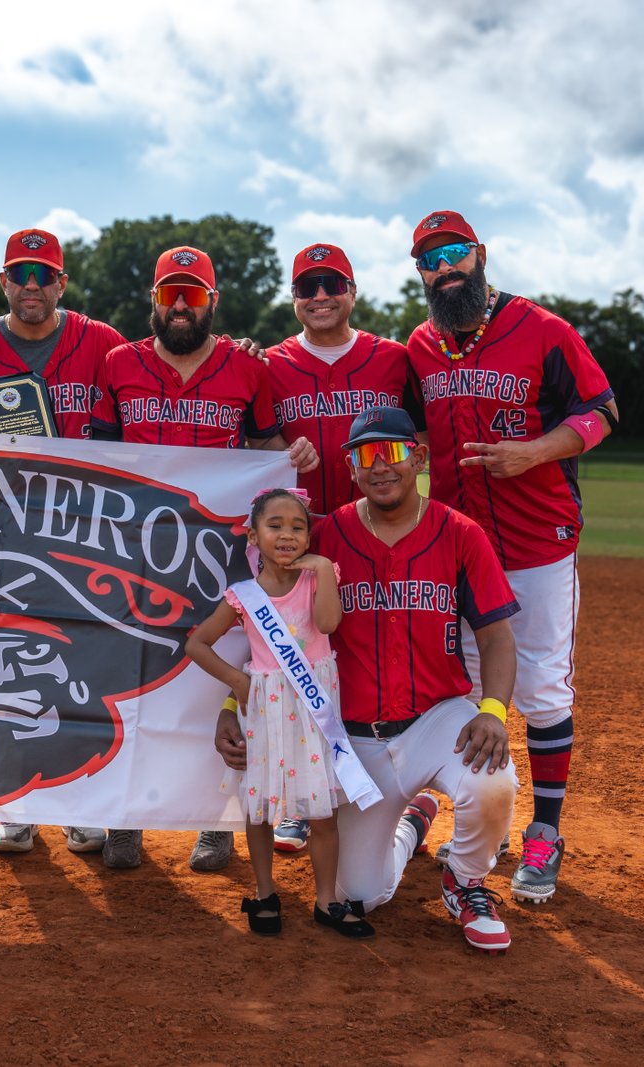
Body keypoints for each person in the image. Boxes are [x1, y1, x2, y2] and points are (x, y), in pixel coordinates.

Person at [219, 406, 521, 953]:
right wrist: (228, 707)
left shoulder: (460, 534)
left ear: (420, 458)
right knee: (362, 893)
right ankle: (413, 823)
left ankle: (467, 879)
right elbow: (265, 631)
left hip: (437, 716)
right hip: (351, 738)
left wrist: (494, 710)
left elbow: (497, 636)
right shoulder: (319, 538)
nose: (380, 465)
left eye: (394, 452)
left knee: (493, 781)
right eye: (365, 455)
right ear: (351, 468)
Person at [404, 210, 618, 905]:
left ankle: (545, 832)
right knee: (458, 688)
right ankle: (475, 819)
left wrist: (538, 450)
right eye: (430, 259)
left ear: (481, 254)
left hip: (537, 543)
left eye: (455, 253)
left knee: (544, 689)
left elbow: (603, 411)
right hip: (459, 548)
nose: (445, 269)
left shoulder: (542, 330)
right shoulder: (420, 347)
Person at [90, 244, 320, 873]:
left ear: (213, 302)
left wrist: (290, 457)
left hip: (218, 560)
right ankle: (124, 817)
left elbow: (268, 445)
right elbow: (97, 458)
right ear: (155, 302)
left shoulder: (248, 369)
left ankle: (215, 824)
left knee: (213, 684)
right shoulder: (117, 364)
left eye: (194, 295)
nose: (183, 306)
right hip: (129, 555)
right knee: (128, 681)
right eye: (172, 294)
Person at [0, 227, 126, 856]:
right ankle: (16, 803)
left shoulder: (104, 344)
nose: (31, 286)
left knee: (77, 665)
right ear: (2, 282)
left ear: (61, 283)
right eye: (19, 274)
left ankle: (79, 800)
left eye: (43, 275)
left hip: (84, 532)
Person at [262, 242, 413, 856]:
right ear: (294, 298)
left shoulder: (395, 359)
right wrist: (276, 452)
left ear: (353, 291)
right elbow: (250, 438)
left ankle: (393, 791)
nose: (320, 296)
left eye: (332, 284)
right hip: (298, 539)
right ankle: (306, 799)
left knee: (368, 660)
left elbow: (420, 443)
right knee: (303, 665)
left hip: (373, 532)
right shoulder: (267, 363)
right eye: (307, 287)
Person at [184, 488, 371, 938]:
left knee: (322, 811)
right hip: (266, 707)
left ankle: (326, 900)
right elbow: (196, 644)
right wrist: (238, 681)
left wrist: (323, 568)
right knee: (262, 809)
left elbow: (327, 625)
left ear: (309, 536)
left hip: (314, 708)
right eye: (275, 525)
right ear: (253, 536)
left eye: (298, 526)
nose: (287, 535)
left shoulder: (318, 578)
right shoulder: (242, 596)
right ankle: (265, 892)